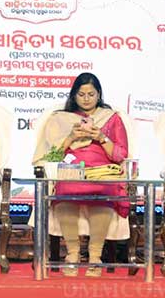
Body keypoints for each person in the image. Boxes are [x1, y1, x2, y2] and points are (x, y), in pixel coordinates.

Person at [32, 72, 129, 277]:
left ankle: (95, 257)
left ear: (99, 94)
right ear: (74, 95)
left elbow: (120, 155)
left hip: (102, 171)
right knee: (66, 187)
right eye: (81, 94)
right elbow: (50, 157)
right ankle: (72, 255)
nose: (86, 99)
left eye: (91, 94)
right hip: (71, 169)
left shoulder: (111, 118)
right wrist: (70, 137)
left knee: (102, 189)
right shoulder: (60, 119)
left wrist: (101, 137)